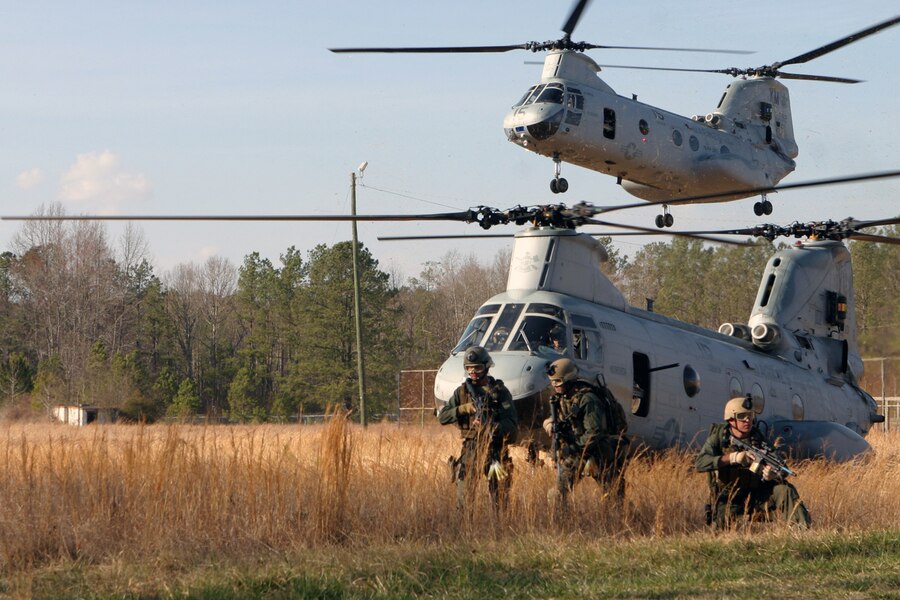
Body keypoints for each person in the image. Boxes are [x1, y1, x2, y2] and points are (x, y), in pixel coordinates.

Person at [696, 395, 811, 529]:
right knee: (721, 528)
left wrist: (773, 475)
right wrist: (733, 458)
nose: (747, 420)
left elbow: (780, 465)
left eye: (750, 415)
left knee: (785, 489)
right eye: (742, 416)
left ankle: (801, 531)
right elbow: (700, 463)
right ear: (731, 419)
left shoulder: (758, 438)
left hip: (756, 494)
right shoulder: (719, 437)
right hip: (729, 497)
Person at [438, 345, 518, 512]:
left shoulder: (500, 392)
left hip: (496, 449)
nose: (473, 372)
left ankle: (500, 530)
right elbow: (443, 417)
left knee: (500, 496)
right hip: (471, 448)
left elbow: (512, 425)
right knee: (464, 495)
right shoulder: (461, 393)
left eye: (477, 368)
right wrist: (463, 409)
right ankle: (466, 530)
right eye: (469, 368)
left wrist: (491, 426)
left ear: (486, 367)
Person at [542, 358, 628, 505]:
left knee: (613, 497)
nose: (554, 386)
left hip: (598, 452)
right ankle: (561, 524)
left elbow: (594, 433)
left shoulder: (588, 400)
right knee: (556, 495)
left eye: (558, 382)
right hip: (578, 451)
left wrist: (572, 448)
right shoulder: (563, 398)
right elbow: (560, 419)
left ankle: (625, 521)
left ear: (568, 380)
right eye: (553, 382)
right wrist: (549, 424)